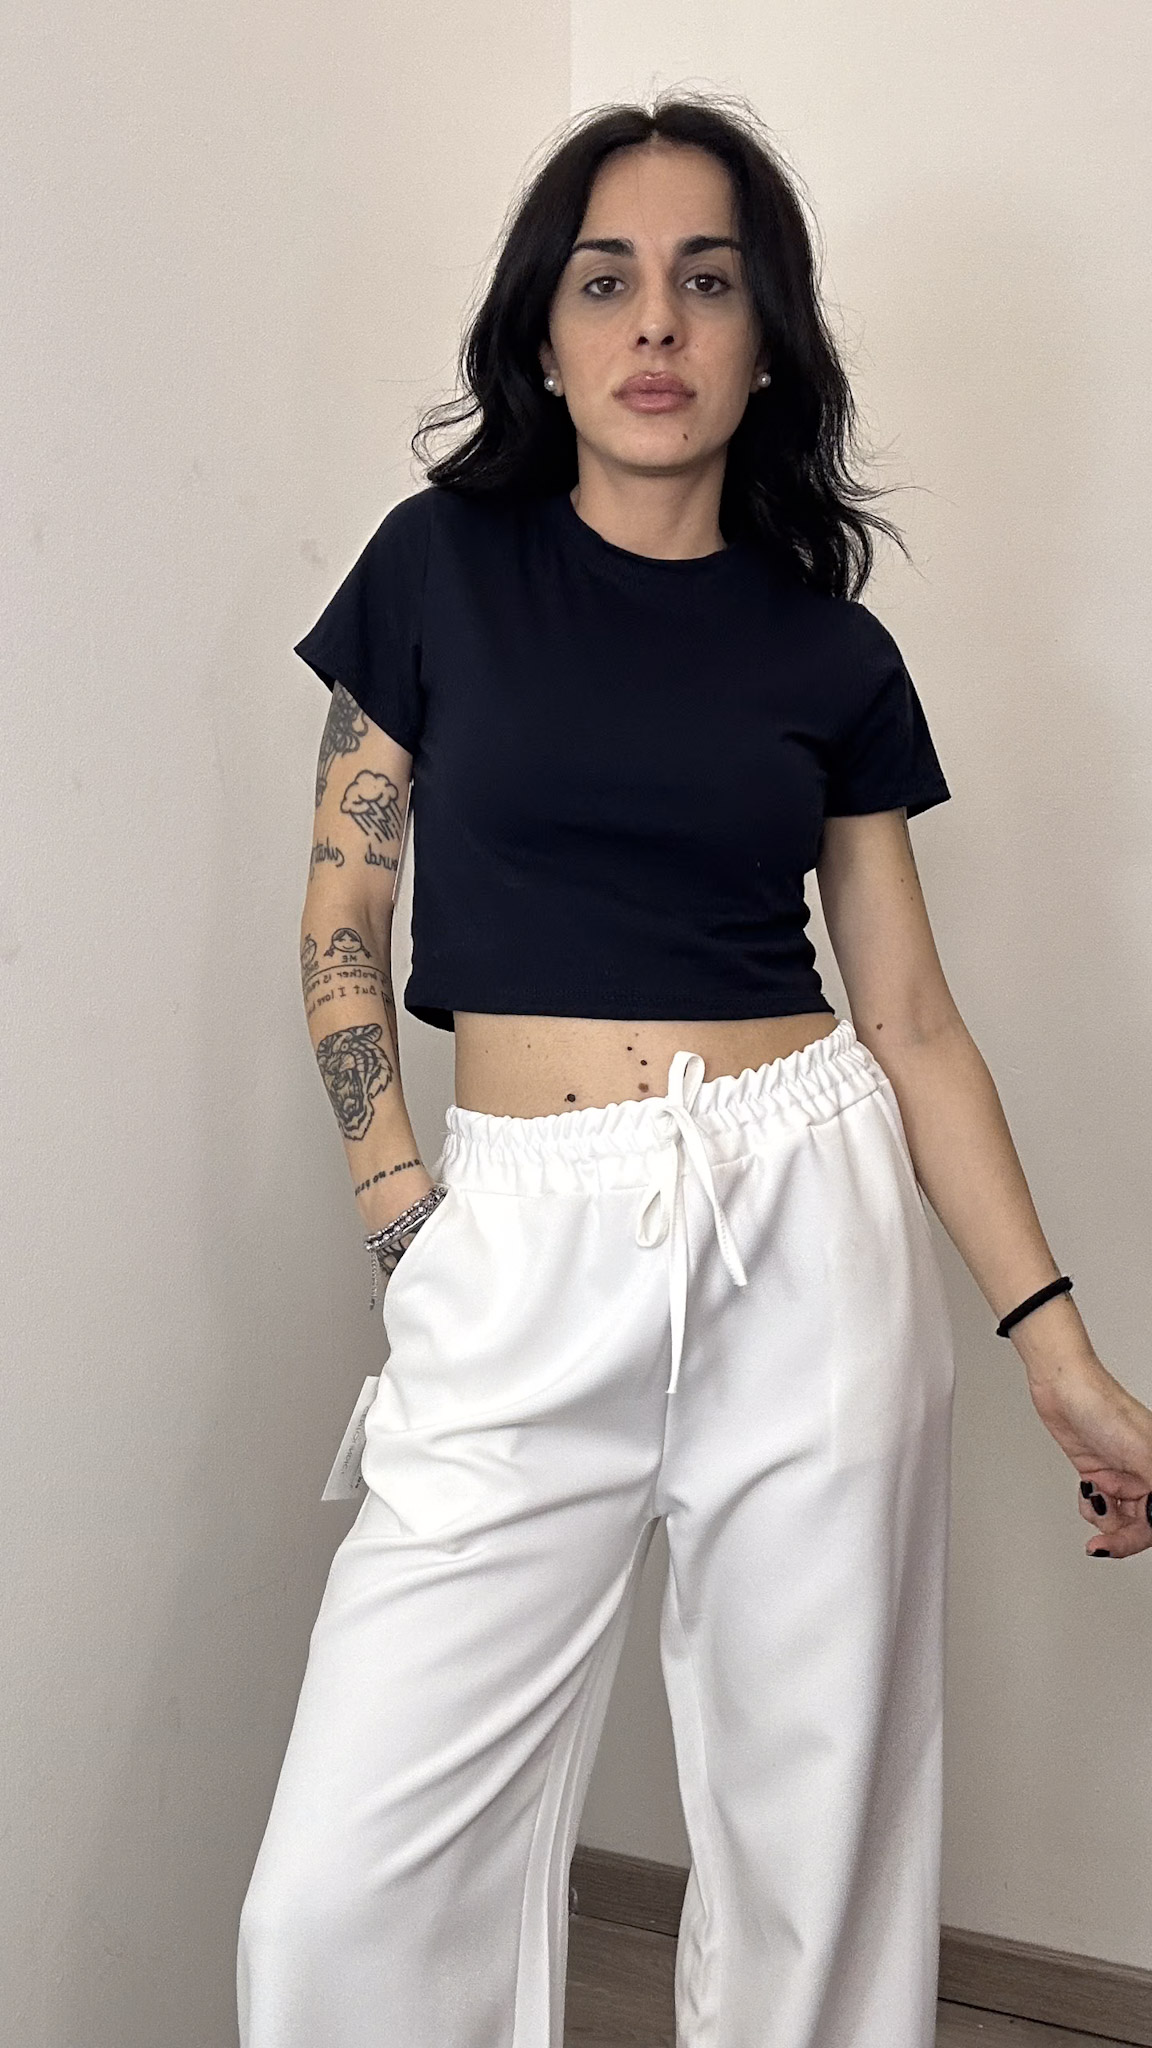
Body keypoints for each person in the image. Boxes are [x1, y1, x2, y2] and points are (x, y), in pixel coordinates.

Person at [237, 92, 1152, 2048]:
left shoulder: (829, 651)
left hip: (802, 1222)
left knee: (816, 1855)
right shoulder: (435, 569)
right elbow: (341, 909)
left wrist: (1057, 1344)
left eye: (707, 282)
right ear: (544, 333)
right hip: (517, 1226)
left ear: (765, 340)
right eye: (607, 280)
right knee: (340, 1892)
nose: (656, 322)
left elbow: (911, 1020)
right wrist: (402, 1204)